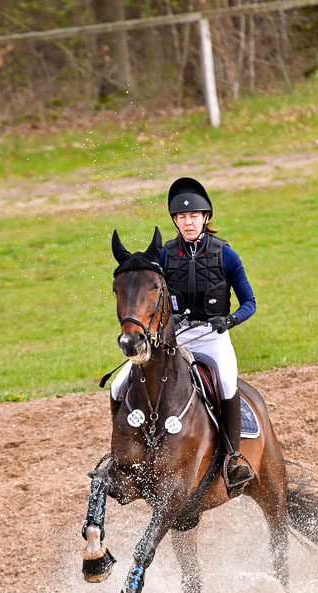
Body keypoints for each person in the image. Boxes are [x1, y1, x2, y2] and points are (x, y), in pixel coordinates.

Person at [111, 176, 256, 489]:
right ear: (175, 221)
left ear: (205, 218)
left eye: (193, 217)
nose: (188, 223)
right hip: (175, 336)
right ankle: (121, 453)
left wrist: (228, 321)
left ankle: (233, 459)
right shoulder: (165, 256)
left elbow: (250, 303)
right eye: (181, 218)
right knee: (119, 383)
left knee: (227, 384)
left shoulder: (225, 254)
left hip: (213, 337)